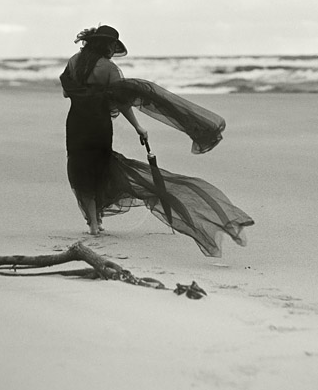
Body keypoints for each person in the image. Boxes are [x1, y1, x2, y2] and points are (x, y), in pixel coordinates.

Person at [60, 24, 254, 257]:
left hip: (76, 122)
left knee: (80, 165)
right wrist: (138, 127)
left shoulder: (74, 62)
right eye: (112, 45)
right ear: (105, 45)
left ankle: (93, 222)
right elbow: (123, 103)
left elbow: (67, 92)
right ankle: (96, 220)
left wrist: (86, 96)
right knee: (99, 166)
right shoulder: (109, 69)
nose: (113, 49)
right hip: (99, 124)